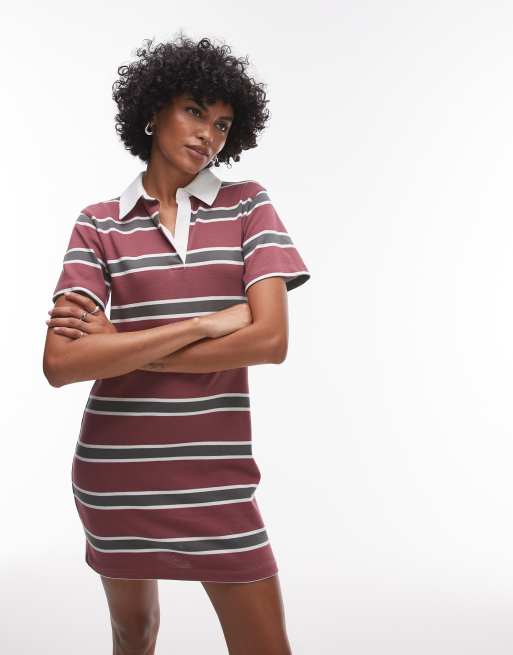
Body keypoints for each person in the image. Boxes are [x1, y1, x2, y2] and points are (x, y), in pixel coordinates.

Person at [43, 33, 310, 655]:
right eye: (194, 112)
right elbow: (61, 363)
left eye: (221, 124)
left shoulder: (247, 206)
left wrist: (124, 345)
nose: (208, 135)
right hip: (116, 473)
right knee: (133, 634)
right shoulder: (99, 223)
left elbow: (270, 340)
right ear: (152, 111)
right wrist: (203, 325)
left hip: (217, 476)